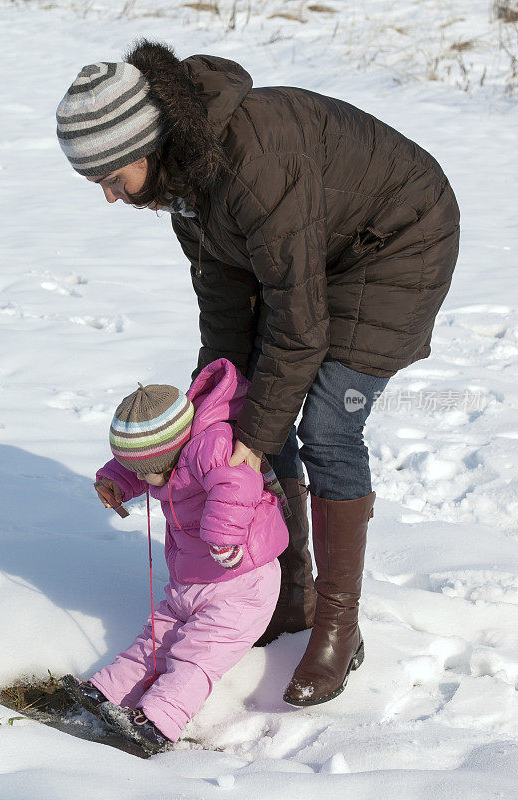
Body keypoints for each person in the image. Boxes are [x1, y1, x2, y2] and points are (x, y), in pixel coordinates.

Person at [56, 39, 460, 706]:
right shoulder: (185, 184)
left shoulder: (251, 167)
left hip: (399, 241)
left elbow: (298, 328)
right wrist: (215, 401)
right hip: (322, 246)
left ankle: (337, 625)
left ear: (142, 148)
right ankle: (288, 593)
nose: (108, 197)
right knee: (248, 408)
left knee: (326, 424)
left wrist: (251, 433)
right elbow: (225, 306)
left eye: (109, 177)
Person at [61, 358, 288, 754]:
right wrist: (115, 480)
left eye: (147, 472)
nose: (147, 481)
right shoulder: (169, 450)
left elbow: (238, 482)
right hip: (190, 581)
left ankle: (160, 721)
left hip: (241, 584)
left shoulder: (212, 448)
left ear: (170, 452)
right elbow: (144, 464)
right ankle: (109, 692)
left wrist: (222, 537)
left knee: (196, 655)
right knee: (155, 638)